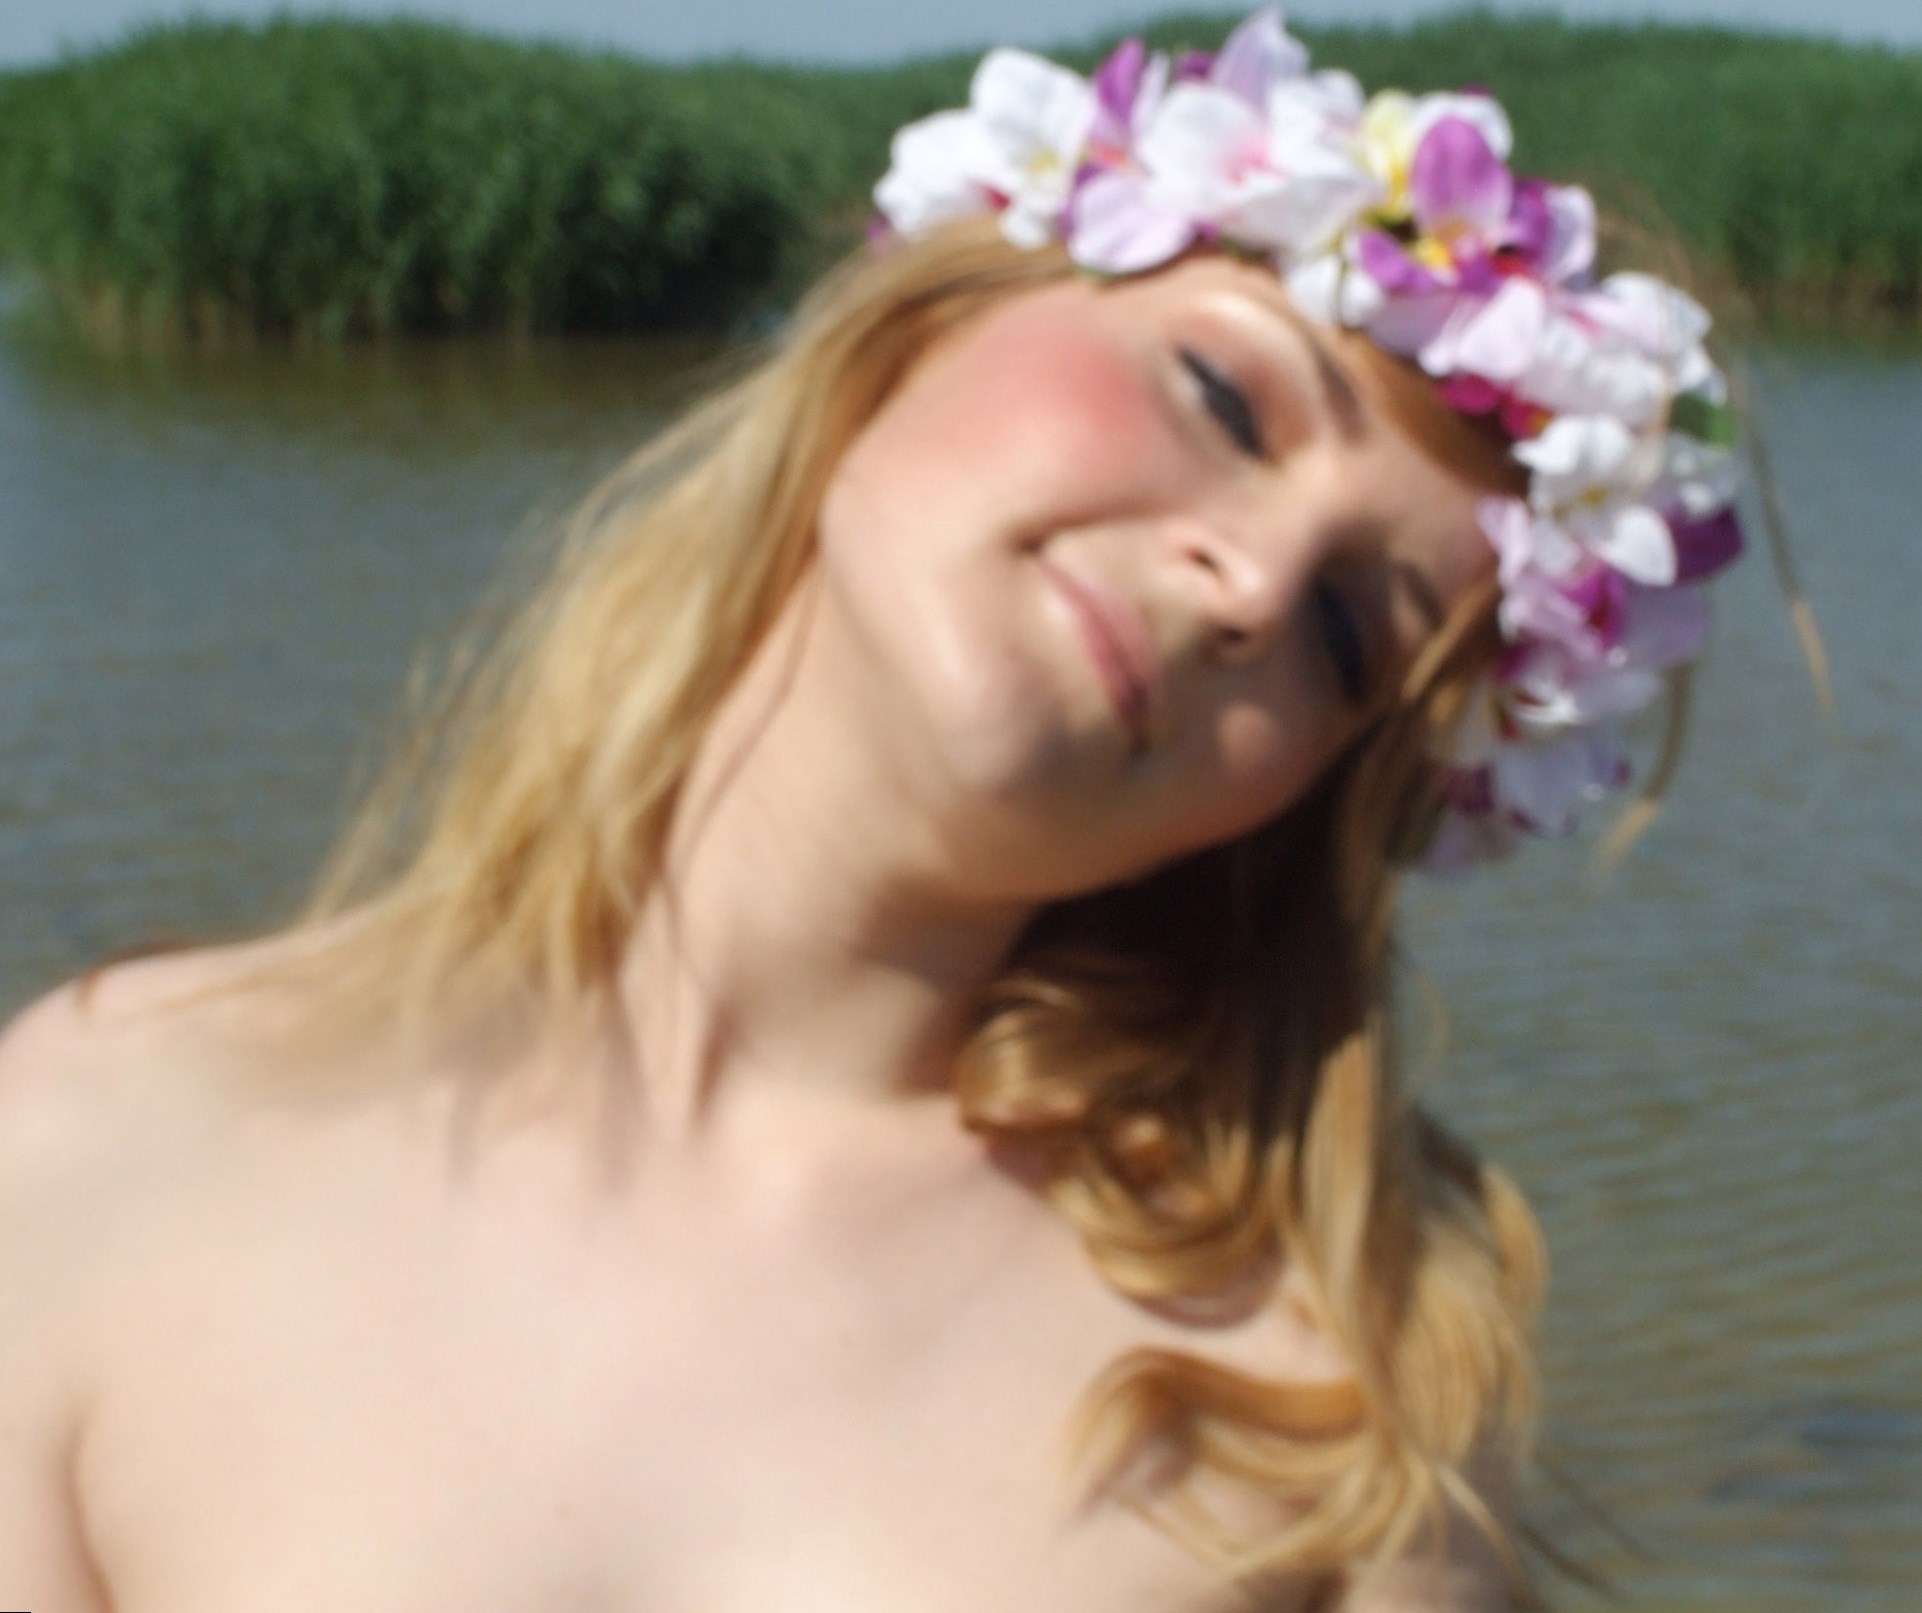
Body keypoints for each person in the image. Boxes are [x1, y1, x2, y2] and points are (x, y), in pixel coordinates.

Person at [0, 11, 1745, 1610]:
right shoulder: (101, 1128)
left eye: (1343, 634)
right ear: (936, 310)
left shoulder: (1319, 1406)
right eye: (1223, 398)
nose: (1248, 581)